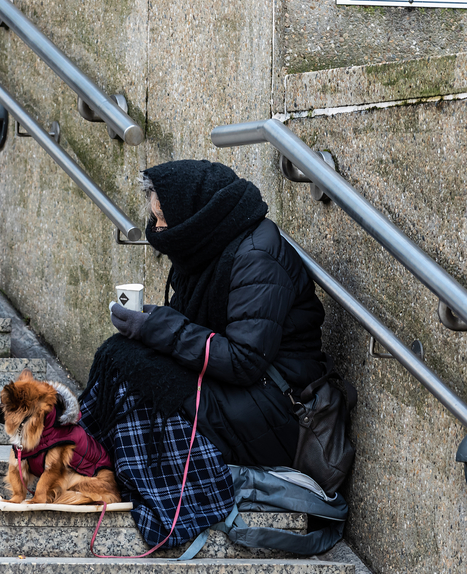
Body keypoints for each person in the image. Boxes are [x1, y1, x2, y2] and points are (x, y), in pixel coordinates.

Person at [78, 160, 327, 548]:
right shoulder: (208, 246)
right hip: (238, 392)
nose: (157, 230)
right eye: (155, 219)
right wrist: (148, 328)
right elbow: (190, 334)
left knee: (143, 383)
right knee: (120, 355)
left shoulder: (257, 254)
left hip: (276, 408)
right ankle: (84, 461)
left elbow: (244, 360)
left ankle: (141, 483)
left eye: (161, 219)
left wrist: (157, 327)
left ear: (192, 213)